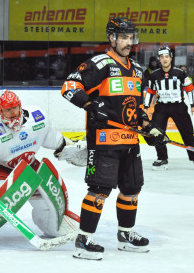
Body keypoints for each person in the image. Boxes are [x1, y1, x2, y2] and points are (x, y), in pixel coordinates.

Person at [60, 17, 169, 260]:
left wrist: (149, 128)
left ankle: (125, 234)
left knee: (131, 189)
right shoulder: (100, 64)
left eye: (132, 38)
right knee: (99, 190)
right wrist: (89, 104)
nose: (129, 42)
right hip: (104, 140)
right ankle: (84, 239)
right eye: (124, 38)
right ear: (112, 38)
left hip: (130, 141)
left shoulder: (139, 70)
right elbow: (68, 87)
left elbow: (136, 108)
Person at [0, 90, 85, 246]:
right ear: (0, 111)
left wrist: (70, 149)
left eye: (15, 108)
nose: (13, 113)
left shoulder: (37, 118)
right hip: (2, 169)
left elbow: (54, 139)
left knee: (46, 196)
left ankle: (52, 226)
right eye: (8, 110)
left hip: (28, 166)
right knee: (2, 198)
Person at [144, 46, 194, 170]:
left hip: (179, 107)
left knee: (187, 133)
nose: (164, 59)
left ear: (171, 58)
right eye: (161, 57)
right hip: (161, 107)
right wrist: (145, 106)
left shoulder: (180, 73)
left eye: (166, 56)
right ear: (159, 59)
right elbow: (150, 91)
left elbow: (190, 89)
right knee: (157, 133)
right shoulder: (154, 75)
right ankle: (162, 158)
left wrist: (193, 106)